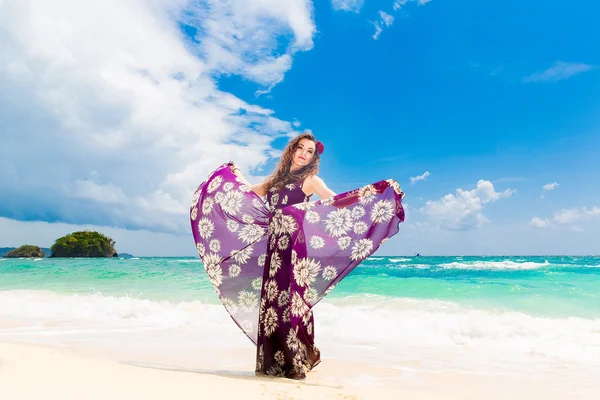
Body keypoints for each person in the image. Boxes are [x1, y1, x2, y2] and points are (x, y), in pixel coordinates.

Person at [190, 132, 405, 379]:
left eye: (309, 151)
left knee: (292, 303)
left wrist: (369, 195)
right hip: (274, 247)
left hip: (294, 247)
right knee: (273, 304)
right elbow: (247, 193)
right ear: (292, 150)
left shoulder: (311, 180)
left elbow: (334, 201)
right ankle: (275, 365)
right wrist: (232, 176)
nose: (303, 153)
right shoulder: (273, 181)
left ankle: (296, 362)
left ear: (313, 157)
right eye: (300, 148)